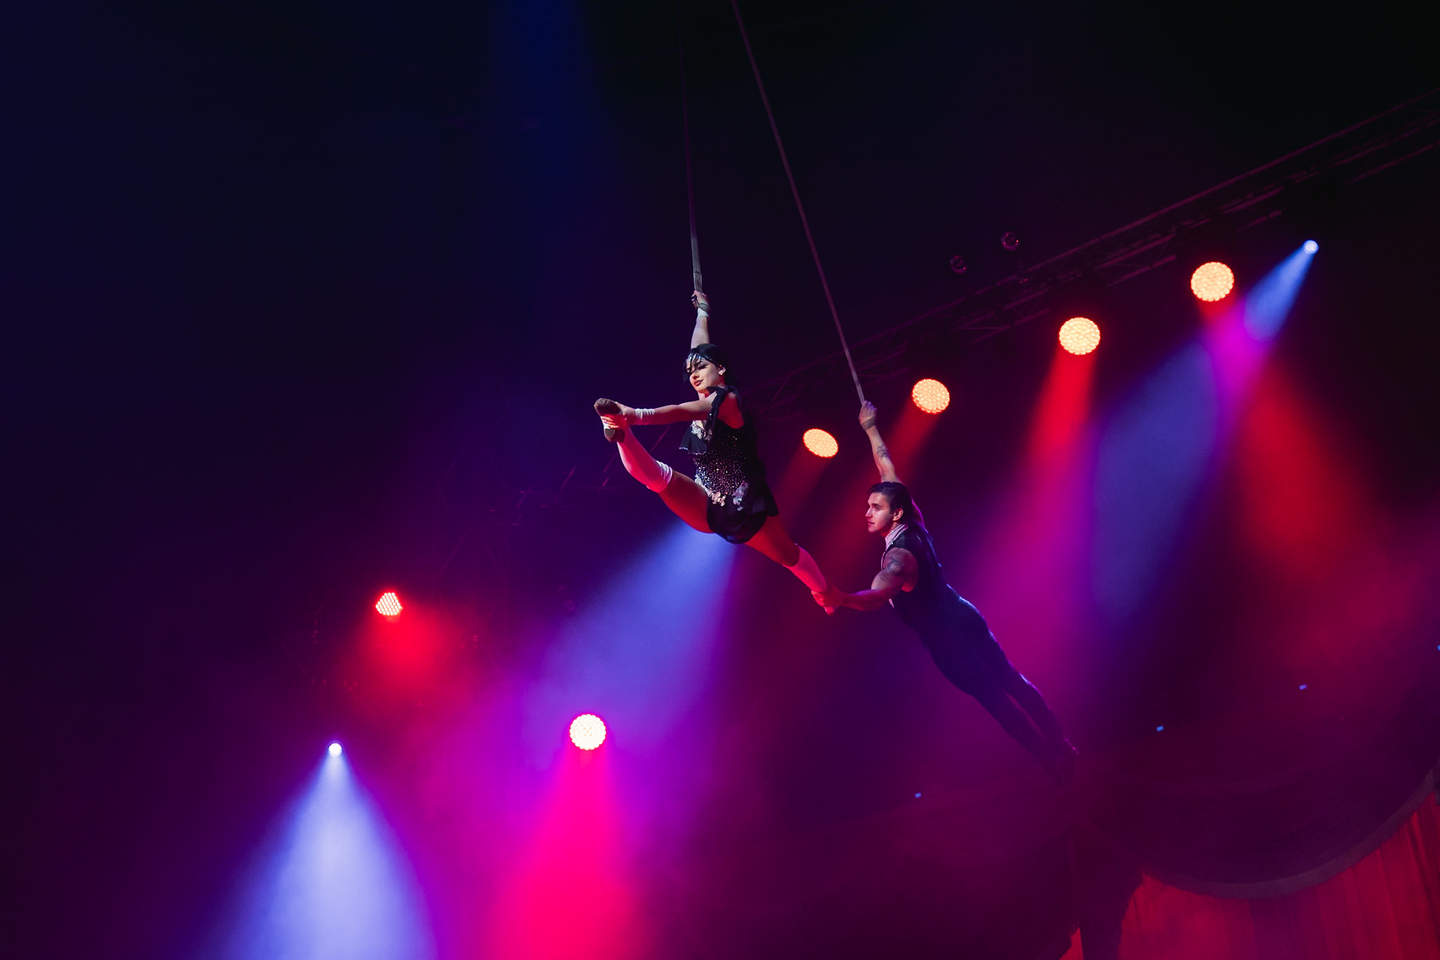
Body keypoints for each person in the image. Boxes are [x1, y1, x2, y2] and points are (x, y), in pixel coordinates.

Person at [815, 400, 1077, 782]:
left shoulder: (898, 558)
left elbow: (876, 596)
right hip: (962, 613)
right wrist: (870, 427)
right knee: (1010, 679)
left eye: (875, 507)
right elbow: (886, 466)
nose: (867, 513)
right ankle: (1061, 744)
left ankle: (1051, 760)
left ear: (895, 513)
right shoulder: (912, 519)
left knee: (995, 699)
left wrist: (840, 598)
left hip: (947, 639)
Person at [593, 290, 830, 601]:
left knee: (788, 554)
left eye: (701, 369)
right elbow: (698, 348)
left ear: (721, 369)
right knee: (657, 478)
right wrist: (702, 312)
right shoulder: (706, 391)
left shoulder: (728, 400)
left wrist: (636, 414)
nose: (694, 375)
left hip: (744, 505)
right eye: (690, 372)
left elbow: (680, 411)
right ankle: (622, 435)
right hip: (705, 495)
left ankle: (824, 591)